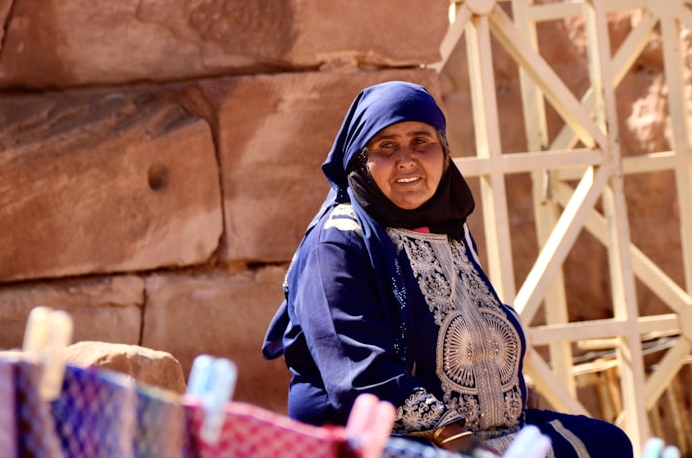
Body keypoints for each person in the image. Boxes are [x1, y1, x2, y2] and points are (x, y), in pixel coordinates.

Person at [263, 80, 634, 457]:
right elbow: (359, 373)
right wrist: (462, 443)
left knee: (608, 444)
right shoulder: (339, 242)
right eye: (386, 146)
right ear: (361, 160)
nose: (406, 160)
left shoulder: (449, 232)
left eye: (421, 141)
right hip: (390, 439)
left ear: (443, 152)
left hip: (483, 433)